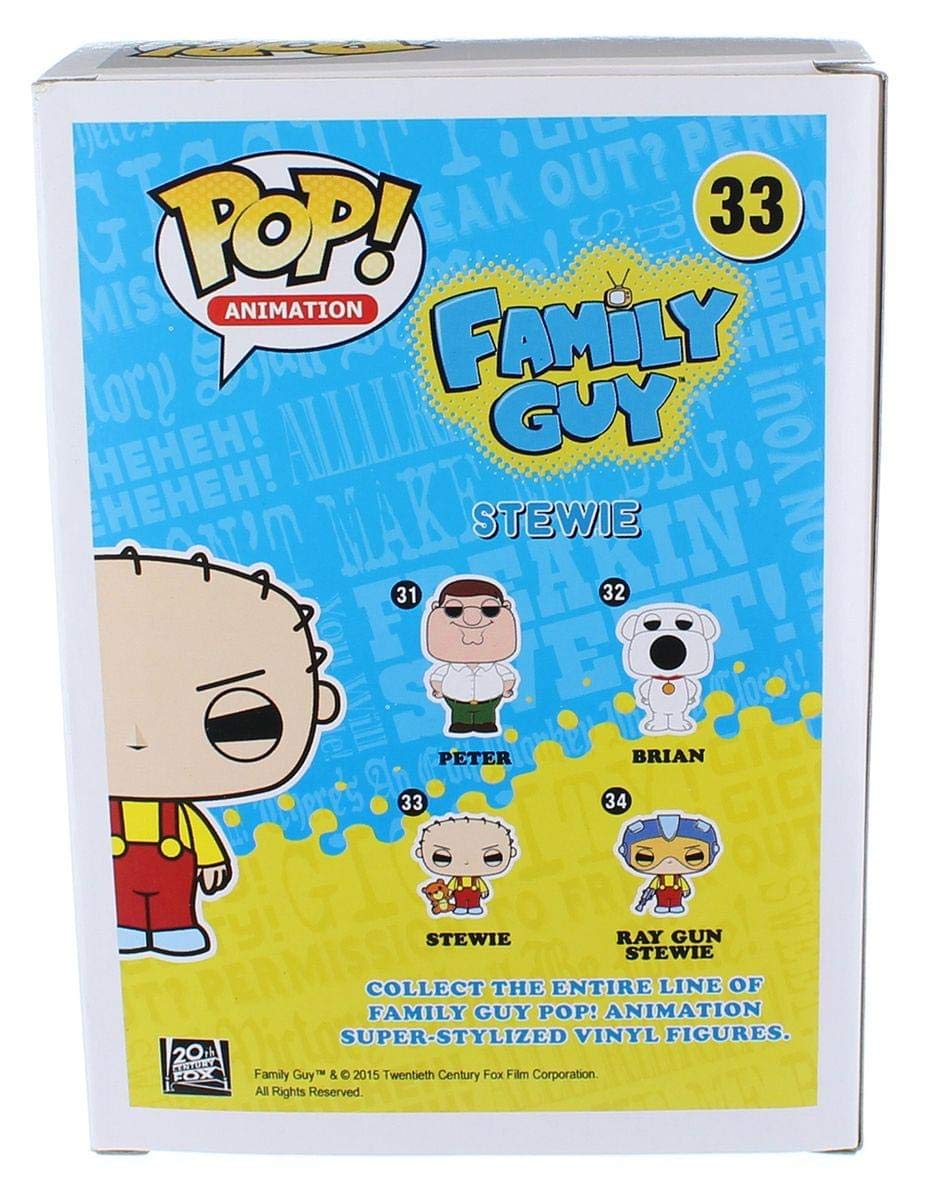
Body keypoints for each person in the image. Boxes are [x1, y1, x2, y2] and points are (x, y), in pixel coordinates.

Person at [96, 544, 342, 957]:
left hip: (172, 867)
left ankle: (175, 928)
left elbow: (197, 831)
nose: (139, 739)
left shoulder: (176, 810)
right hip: (120, 874)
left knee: (171, 904)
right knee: (122, 901)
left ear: (319, 703)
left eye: (238, 722)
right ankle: (127, 928)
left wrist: (211, 860)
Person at [423, 576, 520, 736]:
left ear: (506, 608)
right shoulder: (449, 668)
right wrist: (438, 690)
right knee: (460, 718)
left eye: (490, 610)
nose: (472, 620)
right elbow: (437, 678)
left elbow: (508, 676)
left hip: (489, 699)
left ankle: (486, 723)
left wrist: (507, 689)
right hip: (456, 700)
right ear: (435, 609)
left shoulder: (495, 667)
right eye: (453, 610)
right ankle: (460, 723)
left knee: (486, 717)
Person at [617, 811, 721, 916]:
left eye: (693, 856)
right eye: (645, 857)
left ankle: (676, 906)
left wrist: (686, 890)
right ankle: (662, 906)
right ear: (625, 851)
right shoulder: (658, 879)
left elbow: (684, 885)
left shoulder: (678, 879)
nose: (669, 861)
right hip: (662, 893)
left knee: (676, 902)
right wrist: (648, 894)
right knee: (662, 901)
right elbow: (652, 887)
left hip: (676, 893)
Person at [415, 814, 518, 916]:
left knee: (474, 900)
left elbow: (481, 884)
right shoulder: (456, 879)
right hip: (459, 892)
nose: (466, 862)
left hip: (474, 891)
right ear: (421, 853)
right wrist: (449, 891)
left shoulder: (477, 879)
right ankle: (460, 907)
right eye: (442, 858)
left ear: (511, 852)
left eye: (491, 858)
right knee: (460, 899)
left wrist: (484, 890)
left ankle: (474, 907)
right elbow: (451, 885)